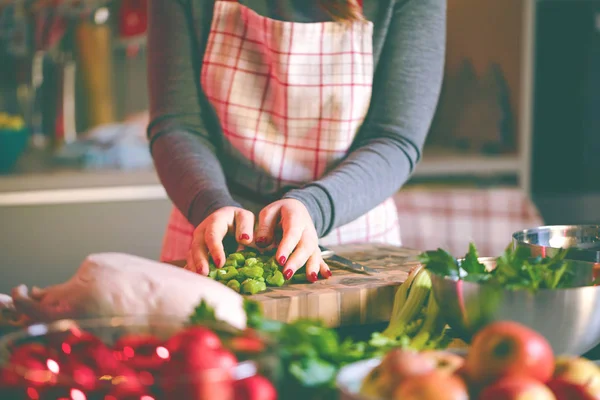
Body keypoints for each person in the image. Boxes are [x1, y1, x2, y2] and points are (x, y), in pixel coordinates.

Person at [147, 0, 446, 282]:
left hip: (349, 231)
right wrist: (209, 204)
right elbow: (178, 123)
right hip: (211, 231)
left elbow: (394, 138)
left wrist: (314, 207)